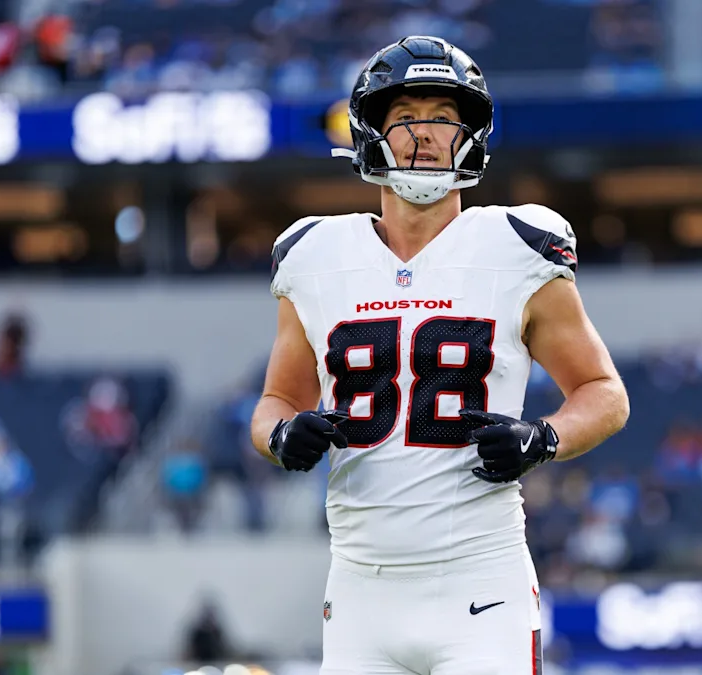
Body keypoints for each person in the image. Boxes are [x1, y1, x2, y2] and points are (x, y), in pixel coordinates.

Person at [250, 35, 630, 675]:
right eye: (405, 118)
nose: (424, 135)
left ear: (470, 135)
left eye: (443, 118)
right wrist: (282, 435)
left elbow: (605, 393)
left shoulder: (518, 247)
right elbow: (276, 402)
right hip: (358, 586)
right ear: (370, 132)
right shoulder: (314, 256)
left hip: (481, 579)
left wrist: (543, 439)